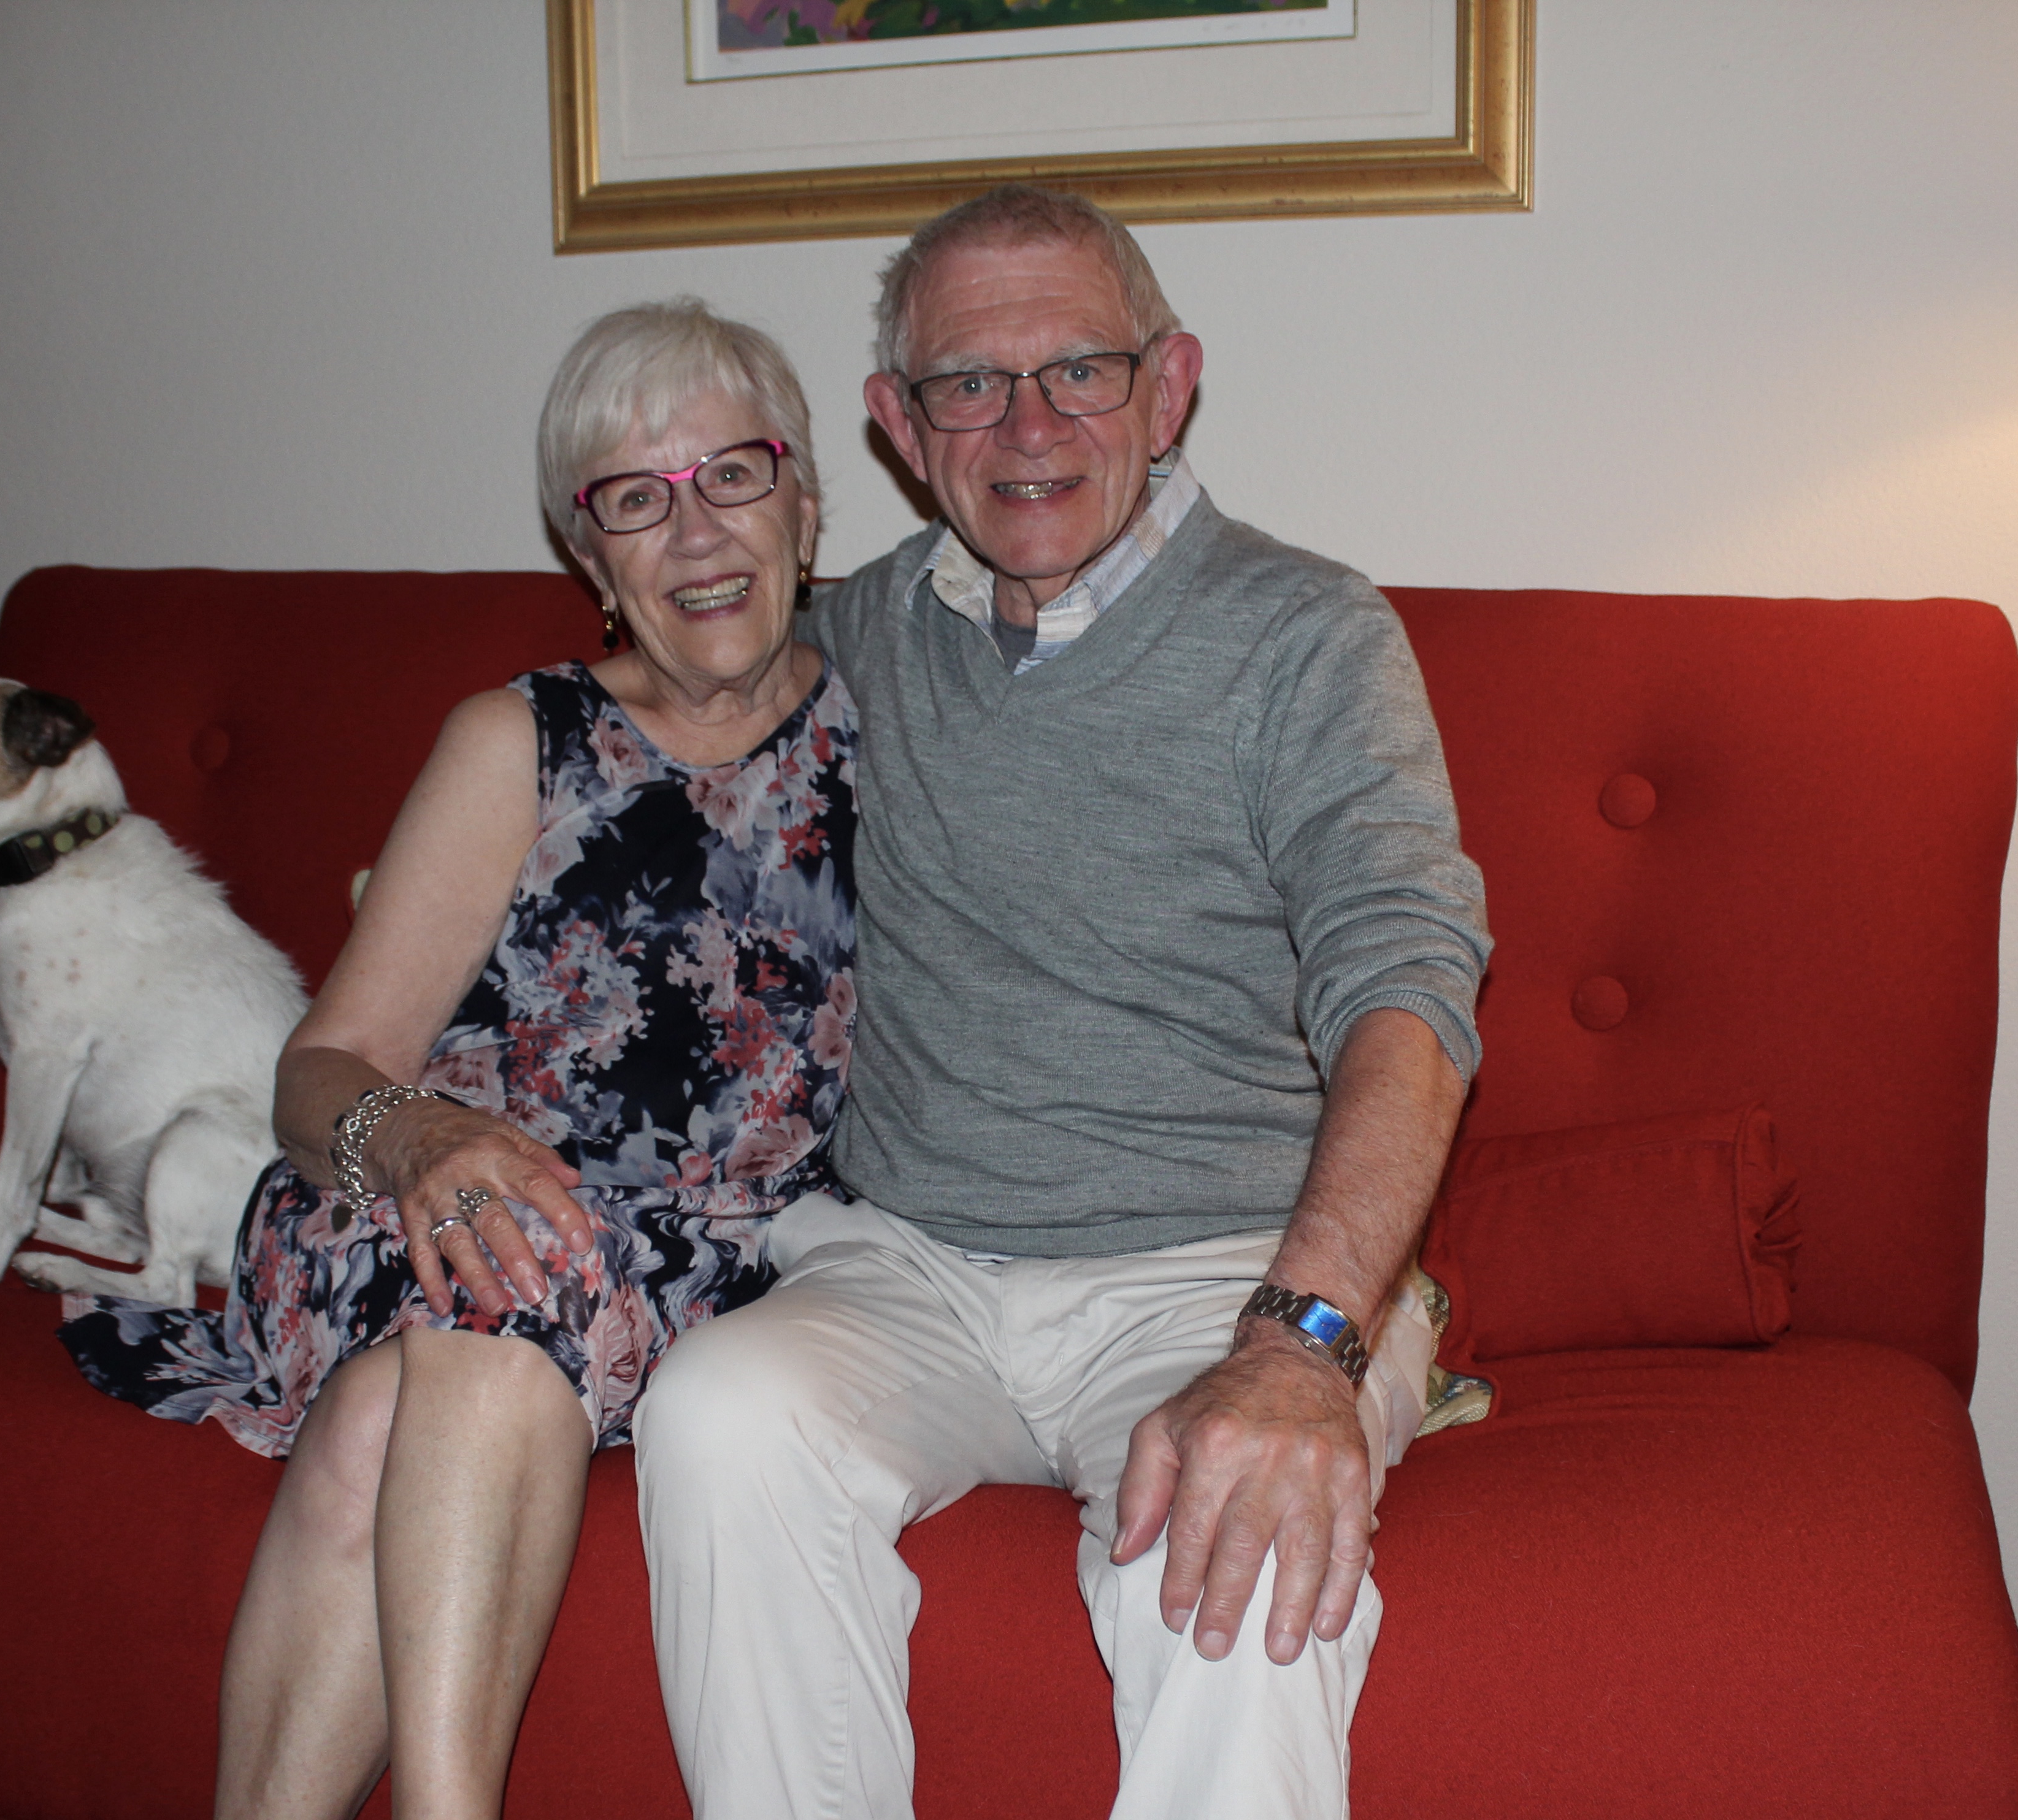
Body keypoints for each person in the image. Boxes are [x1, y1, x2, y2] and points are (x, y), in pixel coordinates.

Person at [632, 188, 1490, 1819]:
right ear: (899, 428)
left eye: (1080, 371)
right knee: (718, 1413)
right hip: (909, 1267)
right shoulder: (849, 640)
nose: (1028, 429)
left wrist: (1303, 1340)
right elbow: (620, 794)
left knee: (1235, 1557)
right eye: (969, 383)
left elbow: (1408, 984)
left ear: (1169, 386)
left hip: (1215, 1271)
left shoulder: (1307, 635)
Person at [57, 299, 856, 1820]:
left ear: (805, 508)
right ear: (592, 556)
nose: (695, 530)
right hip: (399, 1201)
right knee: (506, 1263)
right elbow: (325, 1067)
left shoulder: (900, 737)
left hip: (703, 1254)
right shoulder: (518, 739)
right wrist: (423, 1141)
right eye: (637, 498)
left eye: (732, 475)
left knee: (390, 1408)